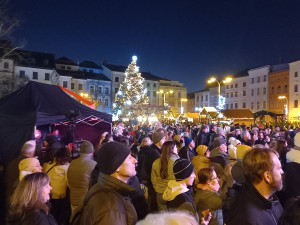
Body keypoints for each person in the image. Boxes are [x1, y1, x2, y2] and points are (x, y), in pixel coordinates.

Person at [71, 141, 138, 225]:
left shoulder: (104, 189)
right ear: (116, 165)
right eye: (129, 157)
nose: (135, 160)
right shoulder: (110, 208)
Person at [227, 148, 284, 225]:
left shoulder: (270, 199)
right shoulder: (246, 218)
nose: (282, 172)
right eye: (279, 168)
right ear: (267, 176)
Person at [163, 158, 199, 222]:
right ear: (185, 174)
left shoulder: (173, 189)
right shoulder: (183, 199)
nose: (195, 176)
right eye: (192, 173)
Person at [43, 147, 71, 225]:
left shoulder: (48, 164)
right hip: (60, 195)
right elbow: (69, 182)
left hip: (49, 194)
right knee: (60, 216)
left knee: (52, 213)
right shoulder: (66, 166)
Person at [67, 141, 97, 215]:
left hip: (73, 200)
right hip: (86, 201)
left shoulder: (72, 163)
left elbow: (68, 181)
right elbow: (94, 184)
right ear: (91, 152)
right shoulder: (93, 164)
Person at [141, 131, 166, 212]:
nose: (165, 140)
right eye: (164, 138)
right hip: (152, 182)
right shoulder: (154, 152)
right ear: (160, 140)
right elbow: (155, 169)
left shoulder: (154, 150)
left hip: (152, 181)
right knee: (154, 203)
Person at [151, 141, 179, 210]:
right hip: (173, 193)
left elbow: (153, 179)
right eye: (175, 147)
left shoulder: (156, 162)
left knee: (163, 217)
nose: (177, 148)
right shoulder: (177, 162)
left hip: (160, 193)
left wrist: (157, 188)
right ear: (172, 149)